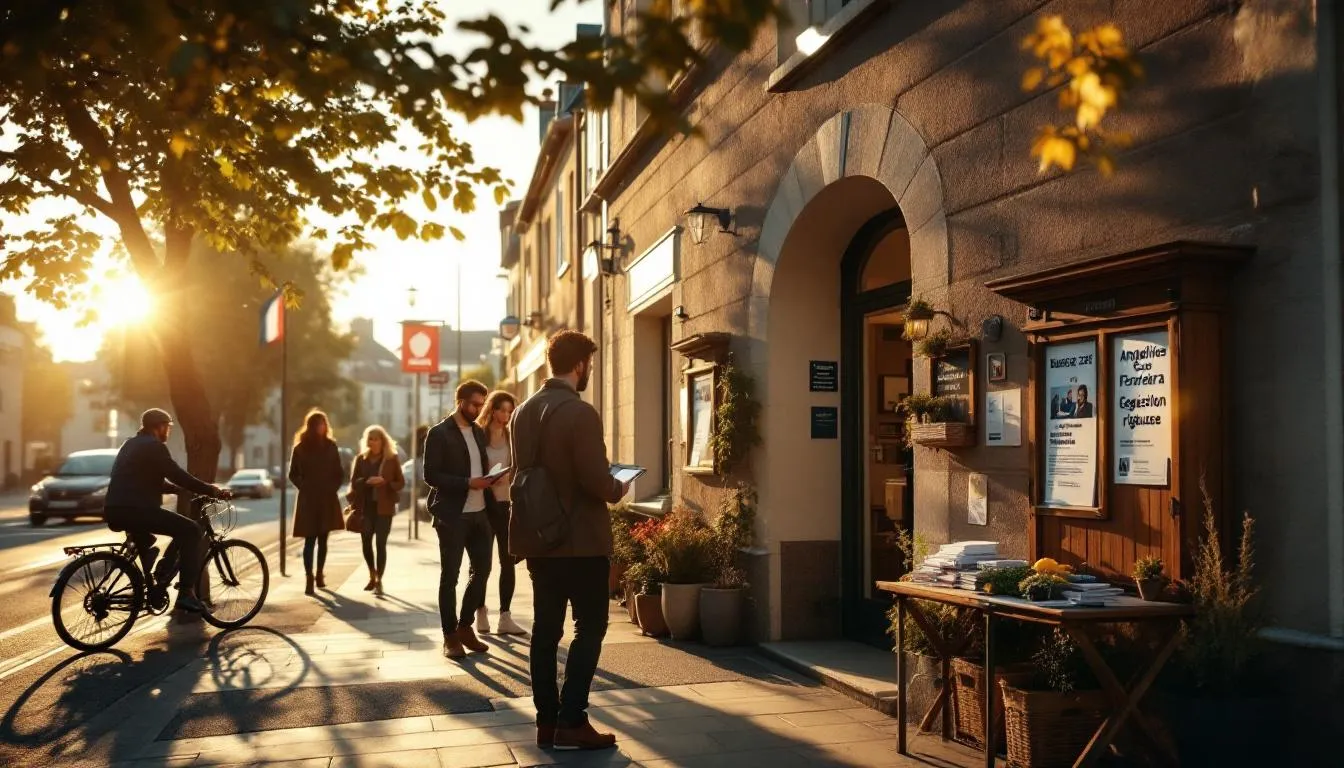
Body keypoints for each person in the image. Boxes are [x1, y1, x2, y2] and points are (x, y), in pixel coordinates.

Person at [510, 331, 629, 751]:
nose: (589, 372)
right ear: (580, 365)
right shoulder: (580, 412)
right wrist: (617, 487)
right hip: (581, 541)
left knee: (545, 631)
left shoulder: (521, 411)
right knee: (591, 626)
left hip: (539, 538)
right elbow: (594, 479)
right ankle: (572, 719)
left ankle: (546, 721)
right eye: (589, 366)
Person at [103, 408, 232, 614]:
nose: (168, 432)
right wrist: (210, 489)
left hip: (114, 509)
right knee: (191, 531)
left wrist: (176, 490)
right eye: (168, 427)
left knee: (153, 540)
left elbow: (144, 478)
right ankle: (186, 594)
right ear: (159, 427)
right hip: (138, 510)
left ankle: (155, 579)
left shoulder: (131, 444)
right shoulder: (154, 447)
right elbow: (177, 474)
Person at [424, 379, 504, 659]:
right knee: (450, 577)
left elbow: (479, 467)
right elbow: (431, 476)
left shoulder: (478, 432)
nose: (478, 409)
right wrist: (468, 482)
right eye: (474, 404)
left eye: (482, 404)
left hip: (481, 514)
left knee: (482, 572)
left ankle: (465, 626)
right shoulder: (439, 433)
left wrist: (492, 475)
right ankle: (450, 637)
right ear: (460, 401)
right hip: (453, 516)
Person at [475, 390, 525, 636]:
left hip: (507, 504)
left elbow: (520, 467)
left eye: (509, 410)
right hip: (484, 505)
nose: (505, 415)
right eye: (501, 410)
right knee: (482, 563)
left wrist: (510, 476)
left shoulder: (512, 436)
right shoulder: (478, 436)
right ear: (491, 409)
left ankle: (505, 616)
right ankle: (480, 611)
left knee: (508, 561)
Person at [289, 409, 345, 596]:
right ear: (312, 426)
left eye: (324, 423)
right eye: (319, 424)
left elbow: (339, 472)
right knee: (309, 540)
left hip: (327, 497)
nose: (322, 427)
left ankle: (320, 573)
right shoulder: (300, 448)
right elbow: (292, 474)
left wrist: (333, 488)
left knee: (323, 539)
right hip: (308, 499)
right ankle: (309, 577)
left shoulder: (331, 446)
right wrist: (304, 486)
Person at [349, 425, 405, 596]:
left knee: (380, 543)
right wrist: (367, 481)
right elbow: (354, 482)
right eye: (370, 439)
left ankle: (379, 579)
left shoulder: (391, 459)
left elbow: (400, 482)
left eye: (376, 438)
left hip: (384, 508)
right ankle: (371, 573)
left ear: (383, 441)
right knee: (366, 542)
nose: (372, 442)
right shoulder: (361, 459)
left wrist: (385, 483)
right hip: (365, 507)